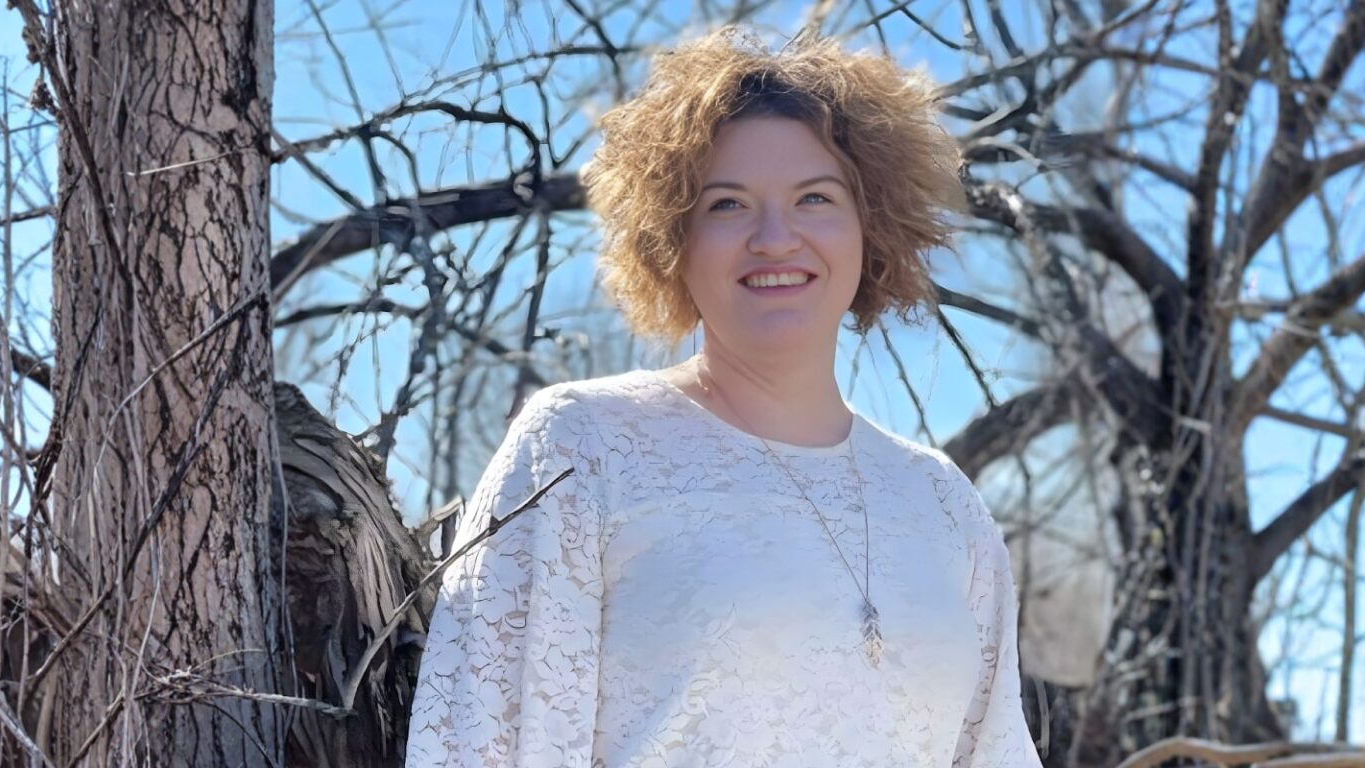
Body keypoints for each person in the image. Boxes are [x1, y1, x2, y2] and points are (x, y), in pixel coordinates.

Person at [406, 26, 1042, 768]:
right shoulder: (582, 447)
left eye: (815, 198)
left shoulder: (941, 502)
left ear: (872, 228)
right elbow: (483, 747)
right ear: (672, 240)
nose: (776, 237)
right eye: (728, 205)